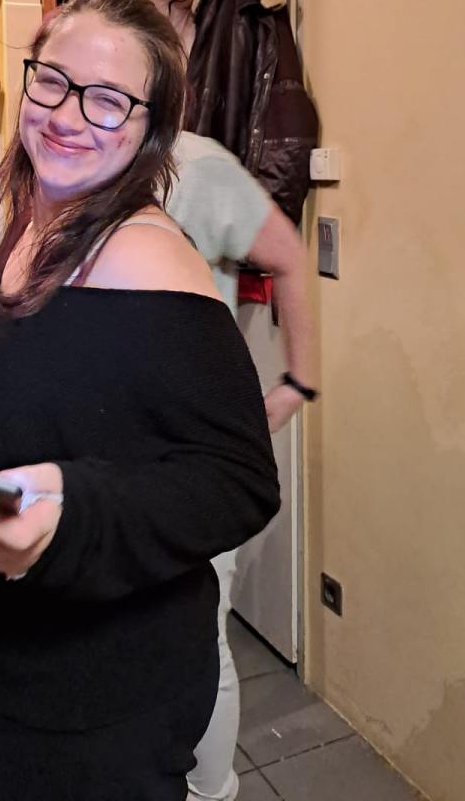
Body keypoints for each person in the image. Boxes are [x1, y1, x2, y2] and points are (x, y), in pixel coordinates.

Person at [0, 0, 280, 801]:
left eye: (108, 100)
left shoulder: (146, 257)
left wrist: (76, 514)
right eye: (54, 81)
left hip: (87, 702)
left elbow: (239, 479)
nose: (68, 115)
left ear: (150, 129)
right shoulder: (38, 222)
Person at [167, 130, 316, 801]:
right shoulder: (73, 158)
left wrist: (297, 383)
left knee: (200, 638)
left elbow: (288, 254)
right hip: (113, 451)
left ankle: (211, 793)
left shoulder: (196, 164)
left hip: (196, 449)